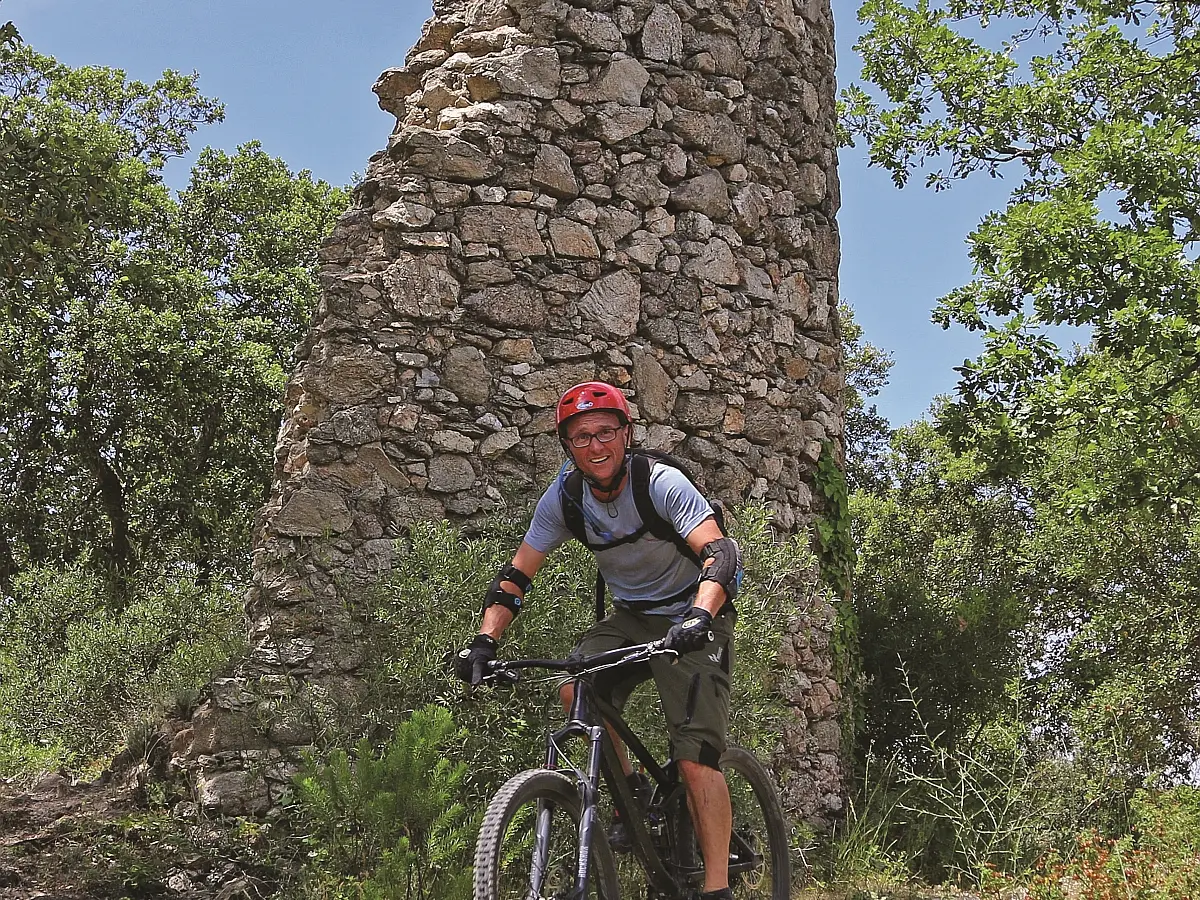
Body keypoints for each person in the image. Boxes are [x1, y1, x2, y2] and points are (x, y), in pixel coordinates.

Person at [453, 380, 742, 900]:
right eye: (581, 437)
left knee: (696, 755)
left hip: (695, 612)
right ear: (568, 447)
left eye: (605, 432)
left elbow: (719, 554)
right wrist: (484, 642)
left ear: (626, 433)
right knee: (575, 689)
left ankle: (717, 888)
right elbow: (514, 579)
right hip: (632, 616)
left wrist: (698, 618)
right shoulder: (564, 498)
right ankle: (629, 793)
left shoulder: (660, 483)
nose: (595, 446)